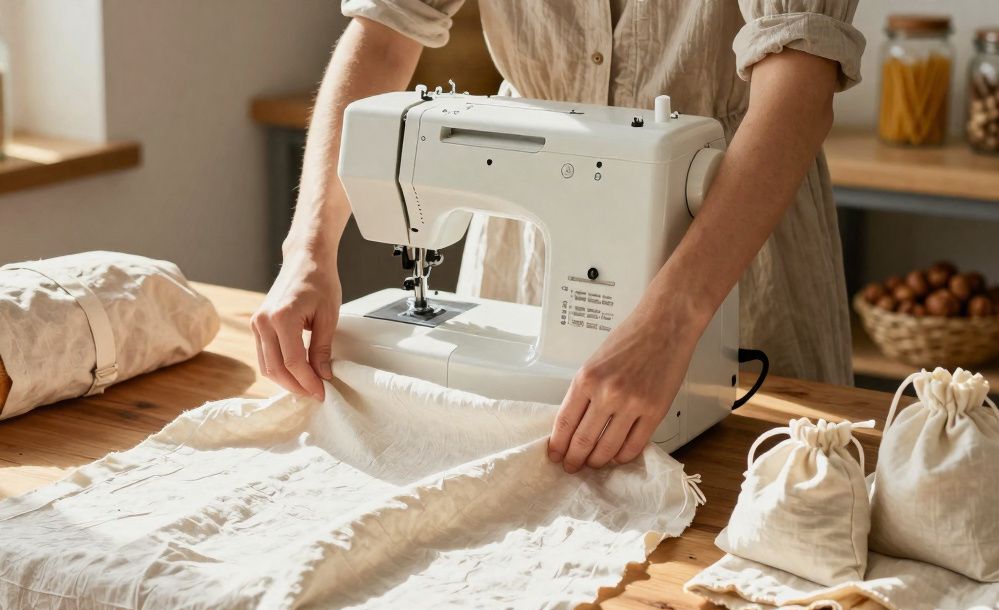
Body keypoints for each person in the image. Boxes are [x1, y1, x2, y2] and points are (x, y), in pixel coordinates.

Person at [251, 1, 865, 473]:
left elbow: (799, 81)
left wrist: (670, 325)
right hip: (524, 237)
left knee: (768, 510)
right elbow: (385, 36)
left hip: (731, 232)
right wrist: (306, 249)